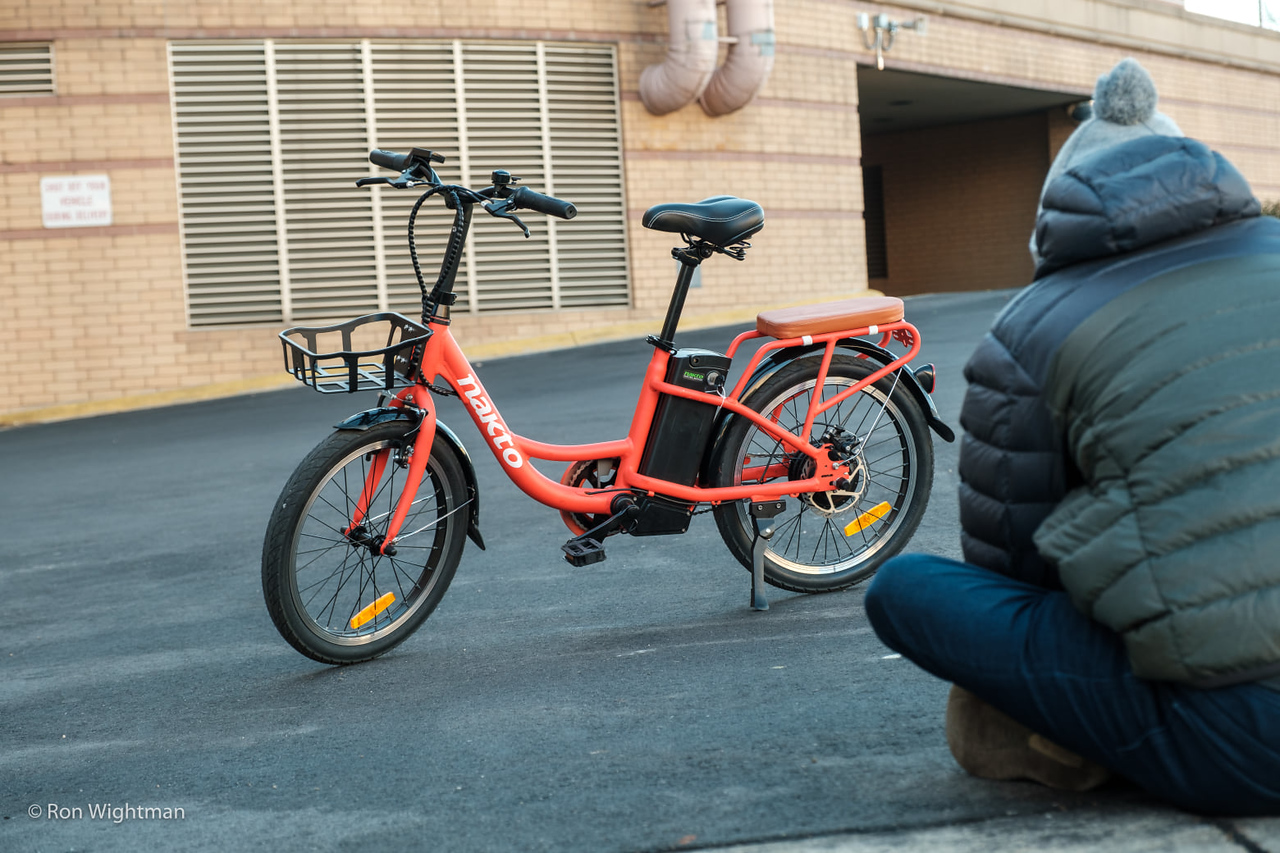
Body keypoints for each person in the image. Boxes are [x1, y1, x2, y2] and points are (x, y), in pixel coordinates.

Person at [864, 57, 1280, 815]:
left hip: (1250, 739)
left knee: (906, 590)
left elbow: (1015, 566)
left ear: (1060, 208)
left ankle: (1084, 743)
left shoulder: (1031, 328)